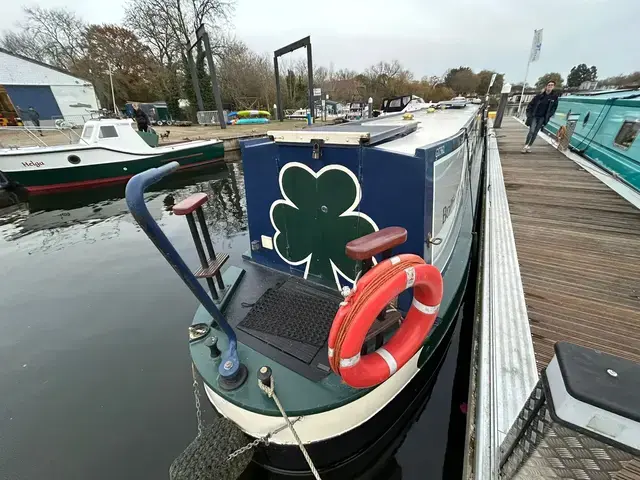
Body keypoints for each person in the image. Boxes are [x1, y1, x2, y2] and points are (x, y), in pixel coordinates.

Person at [522, 81, 559, 153]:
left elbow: (554, 108)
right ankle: (525, 146)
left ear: (553, 87)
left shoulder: (554, 97)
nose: (550, 86)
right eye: (549, 85)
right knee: (531, 131)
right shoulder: (539, 96)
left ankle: (529, 146)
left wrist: (549, 115)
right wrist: (529, 114)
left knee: (535, 132)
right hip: (534, 116)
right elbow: (530, 105)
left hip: (542, 118)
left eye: (552, 85)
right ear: (546, 86)